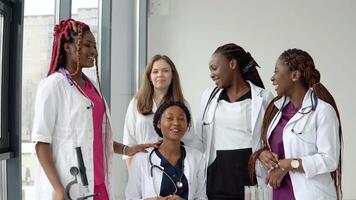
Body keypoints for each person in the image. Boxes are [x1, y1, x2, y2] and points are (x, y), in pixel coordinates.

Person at [32, 19, 154, 200]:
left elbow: (95, 136)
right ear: (67, 48)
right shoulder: (53, 85)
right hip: (70, 185)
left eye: (95, 46)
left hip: (99, 184)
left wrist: (127, 149)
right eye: (87, 45)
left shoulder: (93, 87)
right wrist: (58, 188)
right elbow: (41, 142)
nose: (94, 52)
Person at [249, 48, 343, 200]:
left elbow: (329, 160)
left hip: (309, 194)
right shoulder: (276, 111)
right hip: (277, 192)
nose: (272, 78)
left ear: (295, 75)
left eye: (277, 71)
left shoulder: (322, 111)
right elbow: (268, 145)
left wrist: (289, 165)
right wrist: (262, 154)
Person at [196, 43, 273, 199]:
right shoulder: (208, 97)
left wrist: (263, 151)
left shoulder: (263, 98)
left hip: (250, 181)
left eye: (214, 68)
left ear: (232, 64)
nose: (211, 74)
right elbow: (199, 137)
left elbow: (271, 138)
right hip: (217, 181)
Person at [123, 55, 202, 169]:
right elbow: (129, 142)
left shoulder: (182, 104)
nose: (160, 74)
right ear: (149, 77)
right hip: (143, 167)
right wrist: (133, 175)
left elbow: (190, 142)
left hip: (175, 168)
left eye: (165, 71)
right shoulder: (136, 103)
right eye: (155, 71)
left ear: (172, 75)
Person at [125, 101, 207, 200]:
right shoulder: (141, 158)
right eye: (170, 118)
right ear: (159, 123)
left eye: (181, 119)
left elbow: (202, 196)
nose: (176, 123)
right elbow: (131, 197)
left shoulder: (197, 158)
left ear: (187, 125)